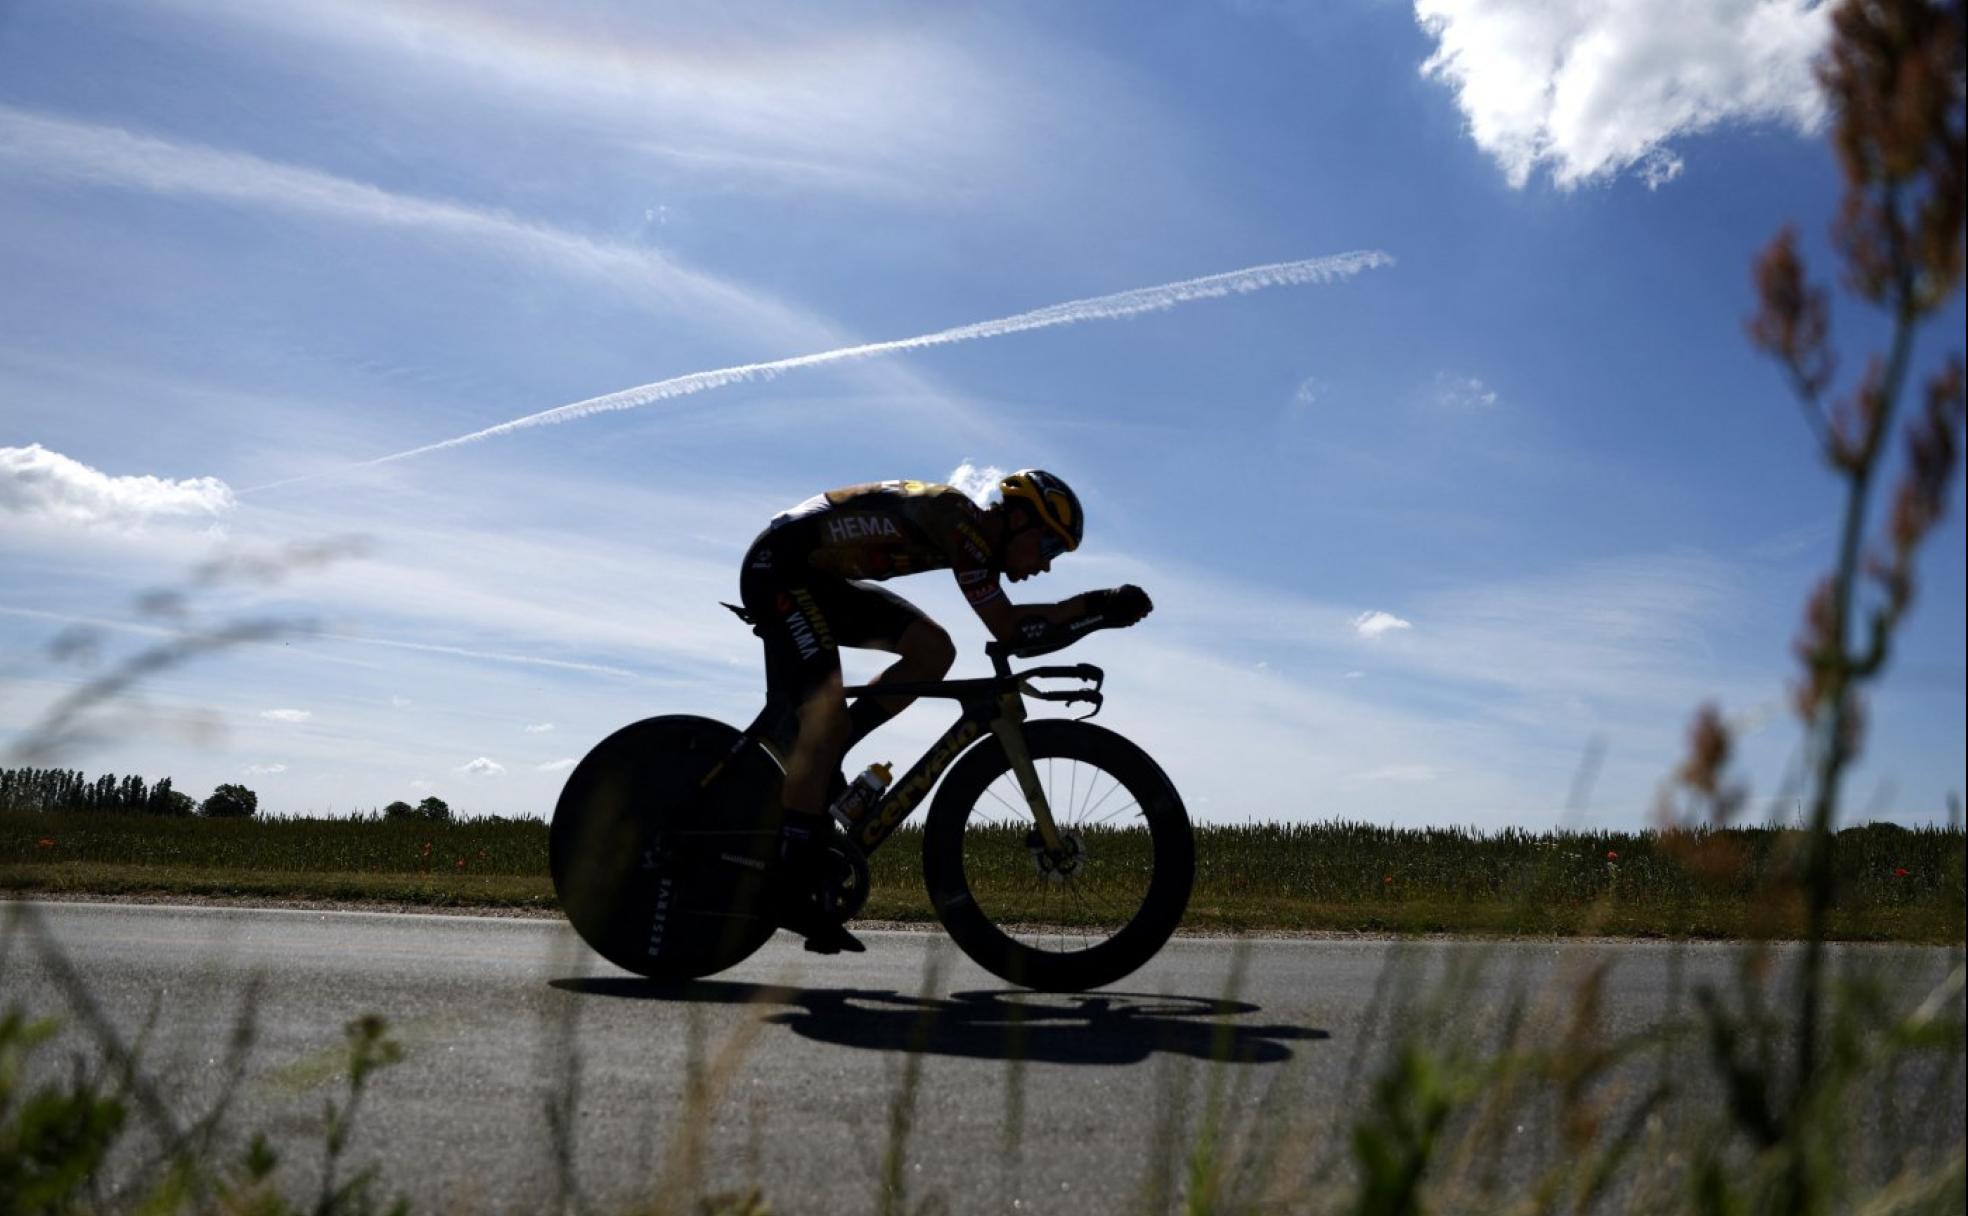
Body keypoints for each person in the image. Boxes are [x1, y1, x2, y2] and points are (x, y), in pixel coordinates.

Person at [736, 470, 1152, 953]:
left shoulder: (967, 531)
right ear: (1017, 519)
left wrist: (1097, 615)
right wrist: (1095, 606)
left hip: (817, 577)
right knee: (822, 726)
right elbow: (1009, 629)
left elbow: (1016, 634)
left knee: (933, 650)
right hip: (781, 571)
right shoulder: (962, 526)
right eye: (1048, 547)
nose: (1046, 565)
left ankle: (833, 748)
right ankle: (789, 883)